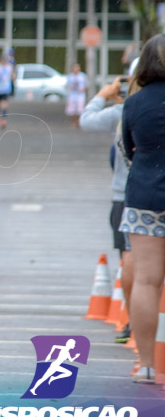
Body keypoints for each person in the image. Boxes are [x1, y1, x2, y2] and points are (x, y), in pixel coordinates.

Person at [119, 34, 165, 384]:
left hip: (145, 195)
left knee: (147, 281)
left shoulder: (133, 104)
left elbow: (126, 149)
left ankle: (147, 365)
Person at [80, 74, 133, 344]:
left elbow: (86, 120)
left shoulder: (123, 111)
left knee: (131, 263)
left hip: (126, 196)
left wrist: (103, 94)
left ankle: (132, 323)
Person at [0, 52, 14, 127]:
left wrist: (13, 78)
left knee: (4, 103)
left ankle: (4, 118)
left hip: (6, 88)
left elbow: (12, 76)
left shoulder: (9, 67)